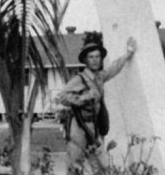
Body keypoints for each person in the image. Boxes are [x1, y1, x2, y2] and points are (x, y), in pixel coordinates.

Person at [54, 30, 137, 167]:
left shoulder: (99, 77)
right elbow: (61, 97)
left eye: (97, 57)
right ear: (86, 60)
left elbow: (114, 68)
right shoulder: (79, 79)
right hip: (79, 127)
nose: (95, 60)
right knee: (75, 167)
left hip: (94, 127)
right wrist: (84, 98)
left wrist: (128, 53)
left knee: (101, 167)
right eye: (91, 57)